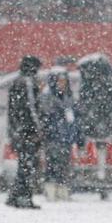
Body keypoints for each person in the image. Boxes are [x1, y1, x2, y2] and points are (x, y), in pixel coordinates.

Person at [6, 55, 43, 209]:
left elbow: (13, 110)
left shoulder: (16, 82)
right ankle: (23, 196)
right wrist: (37, 128)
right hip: (27, 131)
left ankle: (15, 195)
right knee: (28, 165)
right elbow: (31, 109)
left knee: (24, 164)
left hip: (18, 130)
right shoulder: (27, 83)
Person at [40, 67, 78, 201]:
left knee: (64, 165)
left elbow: (74, 118)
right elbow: (45, 116)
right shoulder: (47, 97)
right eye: (60, 81)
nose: (62, 84)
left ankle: (62, 191)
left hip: (65, 138)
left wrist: (74, 136)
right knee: (52, 164)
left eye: (64, 81)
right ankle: (51, 191)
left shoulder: (69, 97)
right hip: (52, 137)